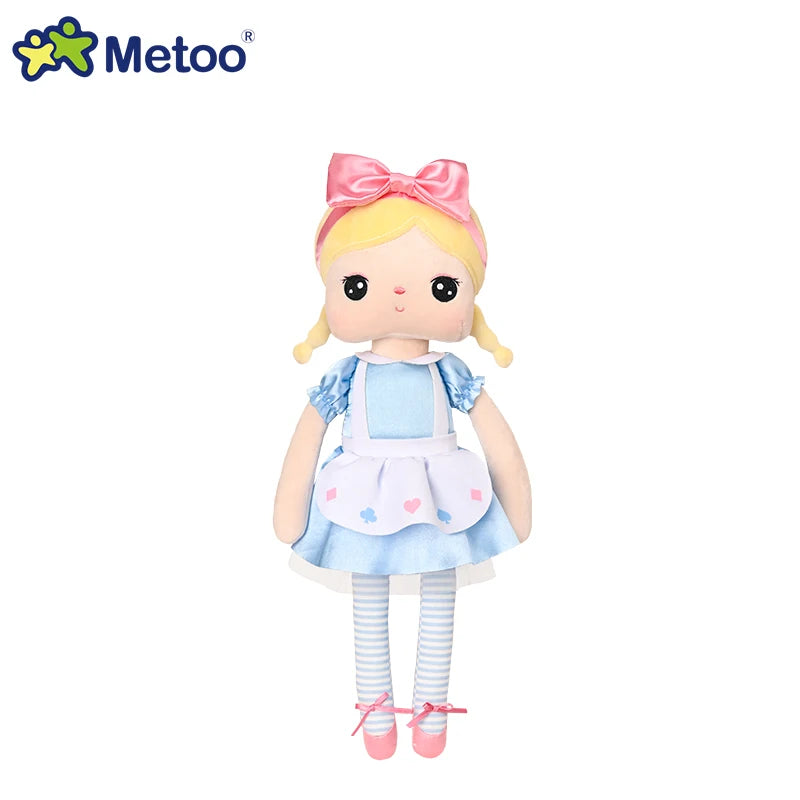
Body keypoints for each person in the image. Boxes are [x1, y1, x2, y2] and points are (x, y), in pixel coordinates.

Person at [274, 153, 531, 759]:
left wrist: (516, 503)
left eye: (442, 287)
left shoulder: (449, 370)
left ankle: (432, 713)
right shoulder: (346, 374)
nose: (394, 295)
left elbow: (497, 439)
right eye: (356, 287)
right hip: (361, 495)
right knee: (369, 598)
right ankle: (376, 712)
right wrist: (290, 508)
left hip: (444, 493)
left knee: (440, 594)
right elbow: (307, 438)